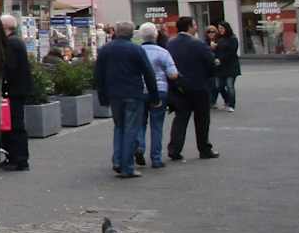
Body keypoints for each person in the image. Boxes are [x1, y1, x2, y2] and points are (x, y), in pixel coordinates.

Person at [94, 21, 159, 178]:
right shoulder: (136, 49)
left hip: (114, 94)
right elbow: (148, 73)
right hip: (133, 93)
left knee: (119, 127)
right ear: (131, 34)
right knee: (131, 129)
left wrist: (102, 96)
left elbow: (98, 75)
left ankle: (117, 160)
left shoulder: (105, 49)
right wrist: (154, 95)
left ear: (116, 32)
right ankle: (127, 166)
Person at [167, 16, 220, 161]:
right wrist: (208, 76)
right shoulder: (198, 44)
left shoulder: (170, 44)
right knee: (202, 119)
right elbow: (211, 63)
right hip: (198, 86)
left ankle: (174, 149)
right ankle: (204, 149)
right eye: (195, 25)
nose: (196, 27)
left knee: (180, 118)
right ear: (190, 27)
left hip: (179, 86)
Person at [135, 23, 178, 169]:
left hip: (140, 90)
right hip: (160, 90)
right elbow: (173, 74)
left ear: (141, 36)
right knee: (157, 125)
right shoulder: (163, 52)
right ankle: (156, 158)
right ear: (156, 35)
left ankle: (139, 146)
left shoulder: (136, 51)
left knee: (140, 122)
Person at [0, 14, 32, 171]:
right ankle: (15, 157)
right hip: (18, 90)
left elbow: (10, 68)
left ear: (4, 27)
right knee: (13, 124)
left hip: (13, 91)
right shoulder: (16, 42)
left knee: (13, 125)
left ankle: (18, 159)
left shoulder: (10, 44)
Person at [212, 21, 241, 111]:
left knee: (229, 85)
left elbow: (231, 53)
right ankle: (227, 100)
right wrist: (214, 48)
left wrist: (220, 59)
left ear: (226, 28)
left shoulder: (233, 39)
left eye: (222, 28)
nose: (220, 30)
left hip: (231, 66)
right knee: (219, 86)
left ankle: (231, 105)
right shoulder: (219, 38)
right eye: (219, 28)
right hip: (220, 67)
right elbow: (217, 51)